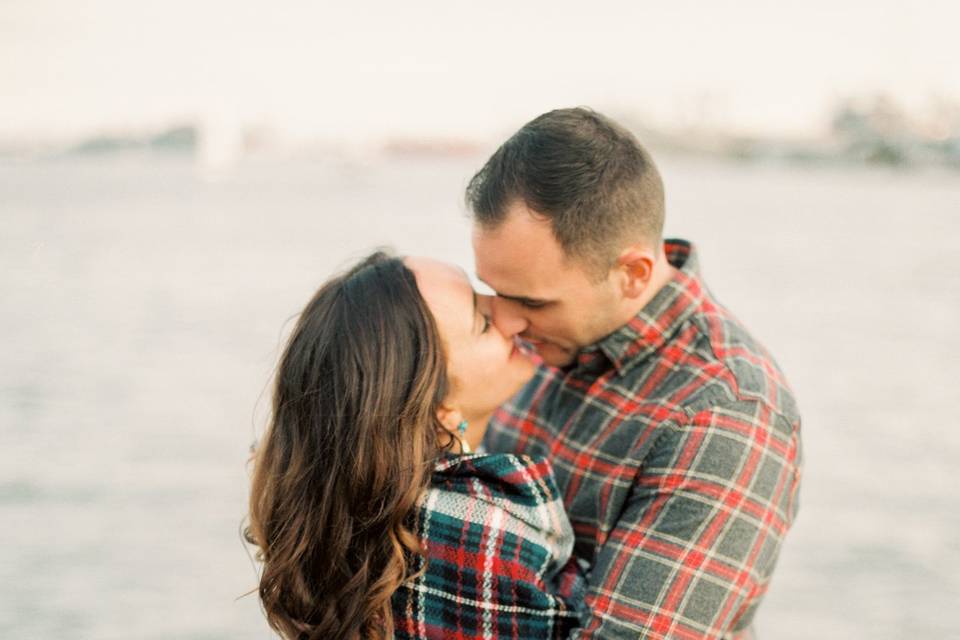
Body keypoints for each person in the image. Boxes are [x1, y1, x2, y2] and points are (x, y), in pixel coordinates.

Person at [467, 108, 802, 639]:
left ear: (632, 273)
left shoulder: (722, 413)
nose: (504, 319)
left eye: (532, 300)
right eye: (494, 290)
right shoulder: (535, 340)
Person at [245, 251, 583, 640]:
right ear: (439, 408)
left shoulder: (348, 504)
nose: (509, 314)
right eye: (484, 323)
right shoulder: (476, 531)